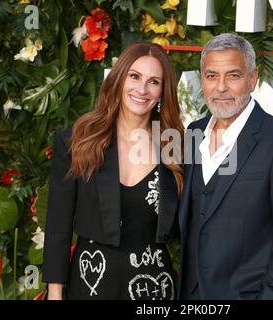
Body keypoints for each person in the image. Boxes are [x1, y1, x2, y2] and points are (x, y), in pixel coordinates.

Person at [178, 33, 273, 300]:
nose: (220, 87)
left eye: (233, 75)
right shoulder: (192, 134)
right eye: (211, 76)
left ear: (252, 79)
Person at [42, 41, 184, 300]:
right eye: (134, 76)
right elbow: (58, 226)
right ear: (118, 80)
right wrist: (54, 293)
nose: (142, 89)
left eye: (154, 81)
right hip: (90, 285)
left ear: (163, 91)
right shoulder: (78, 141)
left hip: (153, 289)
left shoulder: (175, 148)